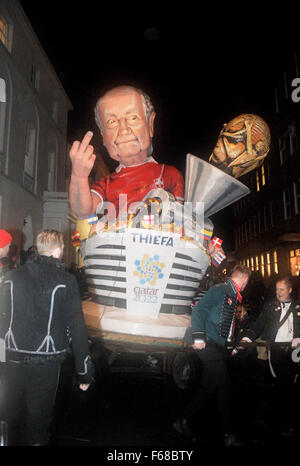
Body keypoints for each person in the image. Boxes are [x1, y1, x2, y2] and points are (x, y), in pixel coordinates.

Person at [0, 229, 94, 445]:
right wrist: (84, 373)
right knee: (39, 420)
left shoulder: (11, 277)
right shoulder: (66, 281)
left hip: (12, 360)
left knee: (5, 414)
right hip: (46, 363)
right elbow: (77, 328)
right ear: (58, 250)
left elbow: (2, 320)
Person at [69, 85, 185, 221]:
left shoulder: (169, 175)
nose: (123, 129)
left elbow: (179, 220)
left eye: (133, 118)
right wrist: (79, 176)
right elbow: (83, 211)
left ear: (150, 124)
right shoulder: (106, 185)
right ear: (103, 136)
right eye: (111, 122)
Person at [173, 264, 251, 447]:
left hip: (217, 346)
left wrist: (230, 346)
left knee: (208, 387)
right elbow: (199, 310)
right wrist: (198, 335)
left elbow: (223, 324)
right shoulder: (221, 290)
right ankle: (228, 435)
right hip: (207, 344)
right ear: (244, 280)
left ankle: (182, 420)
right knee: (226, 388)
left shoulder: (232, 294)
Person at [238, 275, 300, 437]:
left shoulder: (298, 306)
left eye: (282, 289)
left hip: (294, 351)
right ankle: (283, 424)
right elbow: (259, 324)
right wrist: (247, 337)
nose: (278, 293)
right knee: (283, 383)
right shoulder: (270, 306)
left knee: (288, 385)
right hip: (277, 349)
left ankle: (265, 416)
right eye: (276, 289)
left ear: (290, 290)